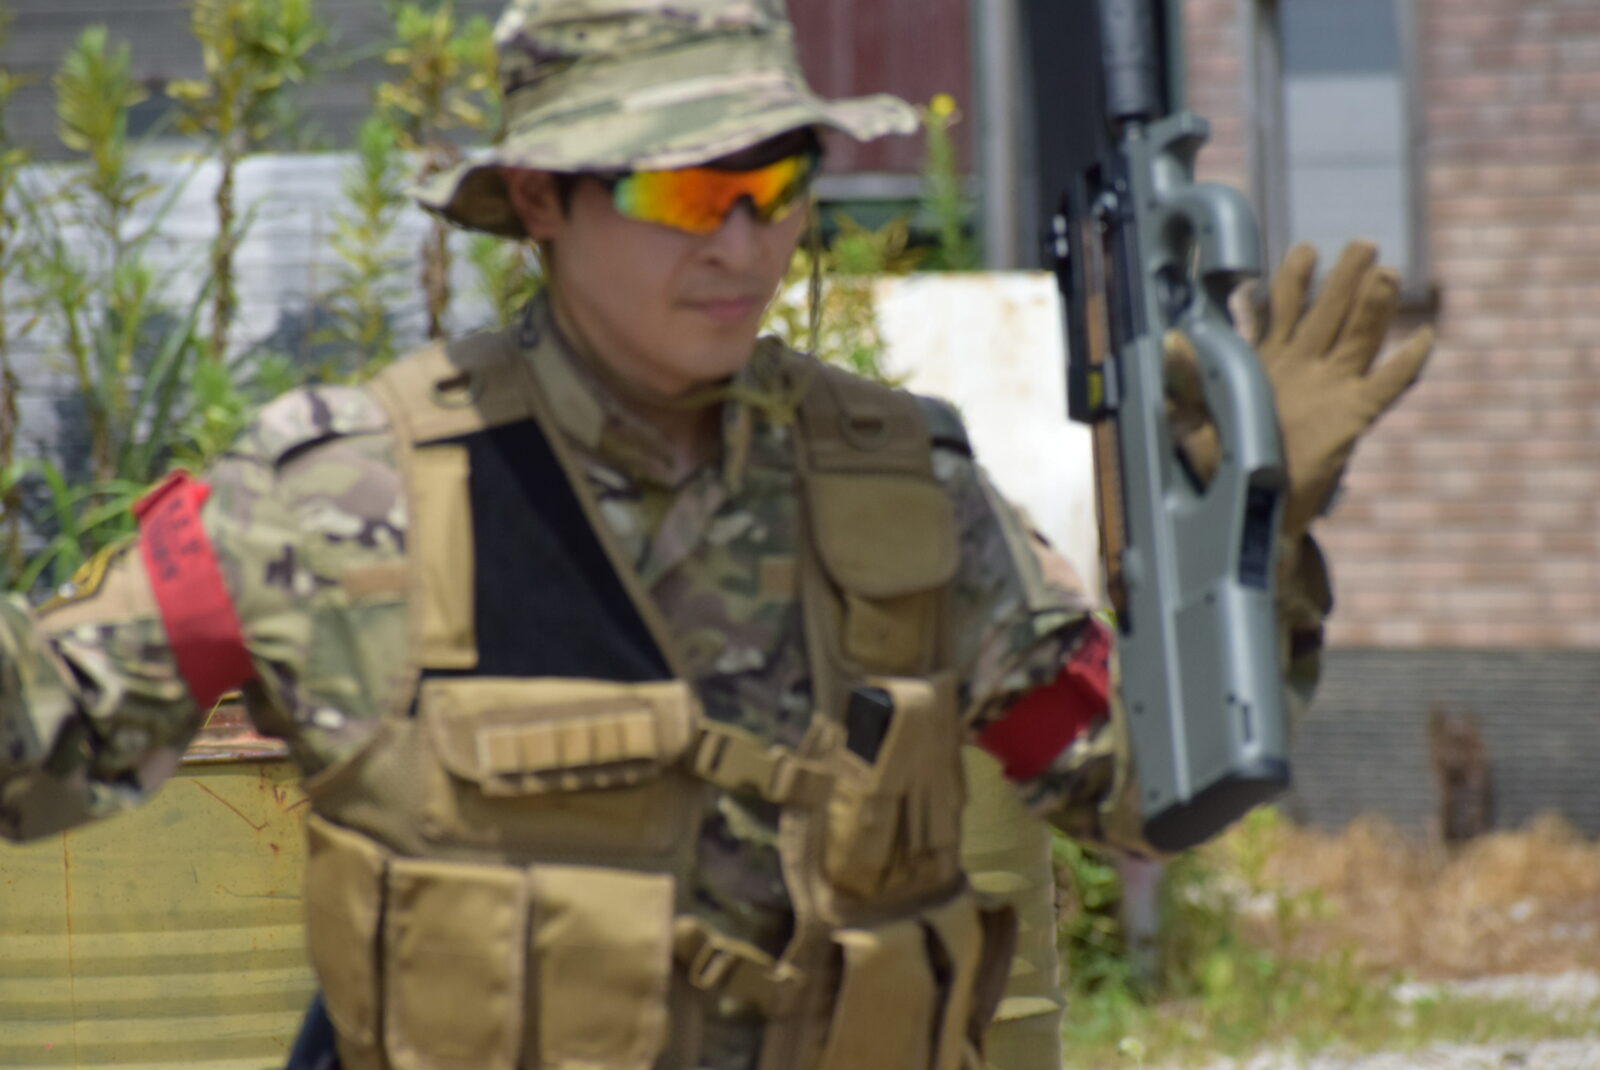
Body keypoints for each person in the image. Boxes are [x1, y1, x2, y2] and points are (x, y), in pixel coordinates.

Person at [0, 2, 1433, 1068]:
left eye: (780, 184)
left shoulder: (906, 489)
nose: (743, 241)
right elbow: (36, 736)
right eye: (690, 190)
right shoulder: (333, 498)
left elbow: (1140, 793)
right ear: (543, 199)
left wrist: (1245, 536)